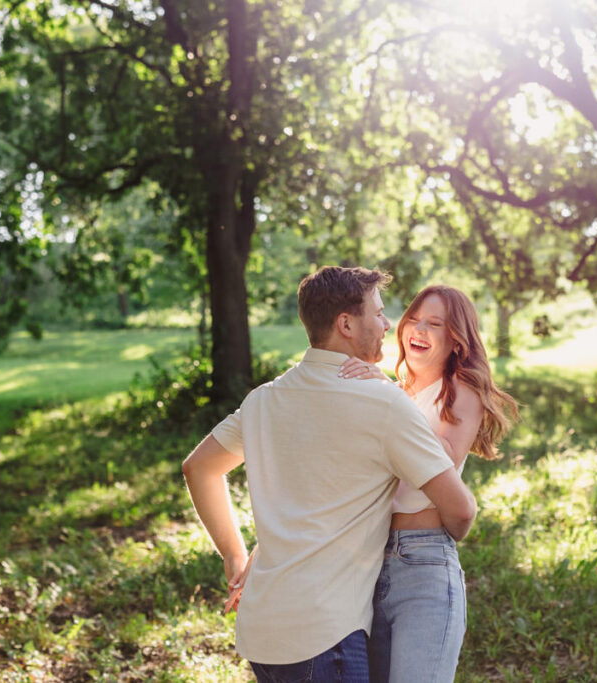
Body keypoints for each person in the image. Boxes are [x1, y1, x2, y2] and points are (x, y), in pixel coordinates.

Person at [181, 267, 477, 683]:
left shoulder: (264, 399)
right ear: (346, 324)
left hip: (261, 630)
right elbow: (461, 510)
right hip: (325, 633)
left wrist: (234, 556)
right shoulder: (383, 402)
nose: (387, 323)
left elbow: (198, 468)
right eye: (377, 313)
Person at [339, 285, 518, 683]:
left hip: (424, 560)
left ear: (456, 341)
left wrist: (382, 392)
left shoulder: (461, 392)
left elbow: (440, 462)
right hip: (369, 559)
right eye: (414, 320)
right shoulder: (397, 393)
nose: (418, 330)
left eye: (434, 324)